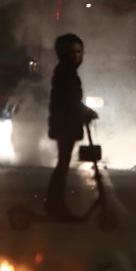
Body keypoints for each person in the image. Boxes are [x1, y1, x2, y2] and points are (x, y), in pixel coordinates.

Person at [45, 33, 98, 218]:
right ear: (64, 53)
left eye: (79, 51)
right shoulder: (66, 71)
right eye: (72, 51)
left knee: (63, 164)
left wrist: (84, 112)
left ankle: (54, 205)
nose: (76, 55)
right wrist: (86, 112)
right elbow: (69, 100)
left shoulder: (66, 70)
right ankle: (55, 206)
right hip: (65, 125)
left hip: (65, 124)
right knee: (62, 165)